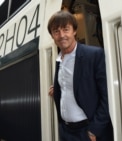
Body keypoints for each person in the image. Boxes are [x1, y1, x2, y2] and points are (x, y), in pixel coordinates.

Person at [47, 11, 113, 141]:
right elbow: (73, 86)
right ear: (52, 36)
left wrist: (94, 130)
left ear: (74, 31)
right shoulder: (59, 59)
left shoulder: (94, 55)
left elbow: (107, 96)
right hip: (66, 131)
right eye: (56, 31)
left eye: (66, 30)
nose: (61, 35)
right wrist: (58, 90)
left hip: (86, 131)